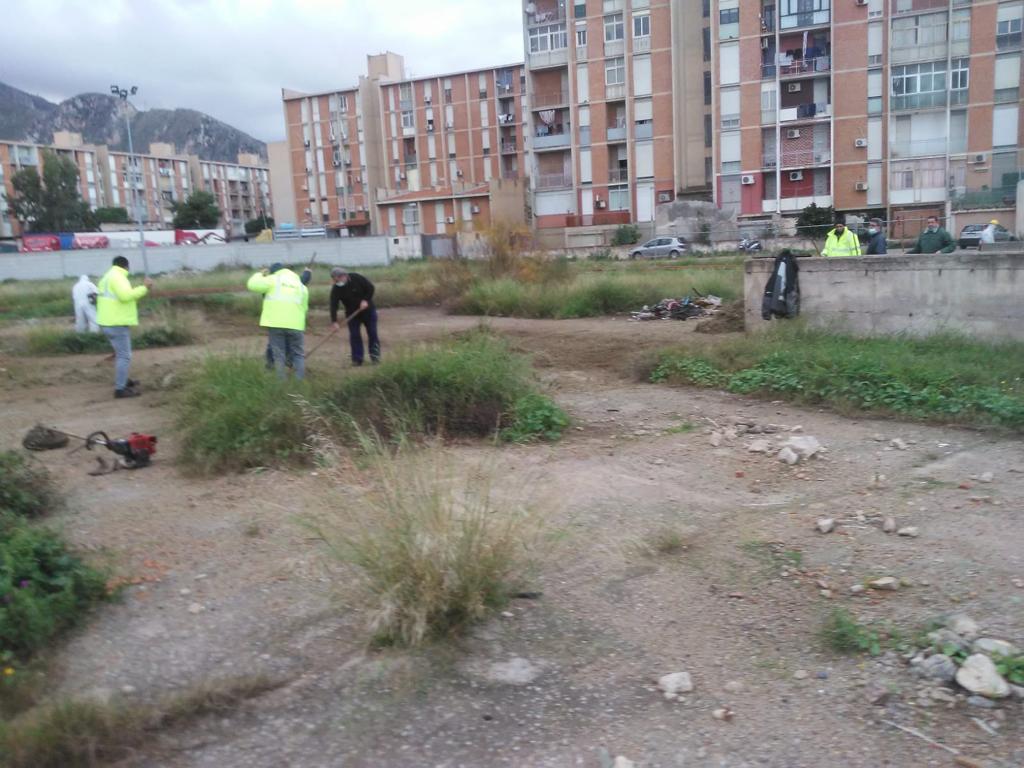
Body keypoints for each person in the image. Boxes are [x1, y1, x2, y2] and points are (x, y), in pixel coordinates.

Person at [96, 256, 153, 399]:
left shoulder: (107, 277)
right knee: (124, 356)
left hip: (107, 322)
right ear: (126, 266)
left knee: (121, 355)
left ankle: (124, 380)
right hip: (116, 323)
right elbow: (126, 296)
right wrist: (144, 287)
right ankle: (120, 389)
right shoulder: (118, 277)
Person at [247, 262, 309, 380]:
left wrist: (260, 274)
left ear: (274, 271)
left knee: (279, 355)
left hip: (275, 324)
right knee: (298, 355)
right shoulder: (301, 285)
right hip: (296, 325)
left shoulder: (273, 279)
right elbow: (305, 308)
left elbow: (252, 285)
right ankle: (299, 382)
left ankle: (281, 383)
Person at [264, 266, 312, 371]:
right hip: (291, 321)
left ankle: (273, 365)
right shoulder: (290, 284)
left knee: (275, 346)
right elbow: (302, 282)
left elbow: (302, 281)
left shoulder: (270, 284)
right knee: (290, 347)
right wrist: (307, 272)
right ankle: (289, 364)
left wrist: (307, 273)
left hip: (275, 322)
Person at [329, 268, 380, 366]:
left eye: (338, 279)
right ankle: (357, 359)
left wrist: (365, 300)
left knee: (372, 333)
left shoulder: (356, 278)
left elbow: (370, 288)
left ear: (344, 276)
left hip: (368, 311)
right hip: (352, 314)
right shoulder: (336, 289)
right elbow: (333, 305)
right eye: (335, 280)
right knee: (354, 335)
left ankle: (375, 358)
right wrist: (334, 321)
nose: (337, 282)